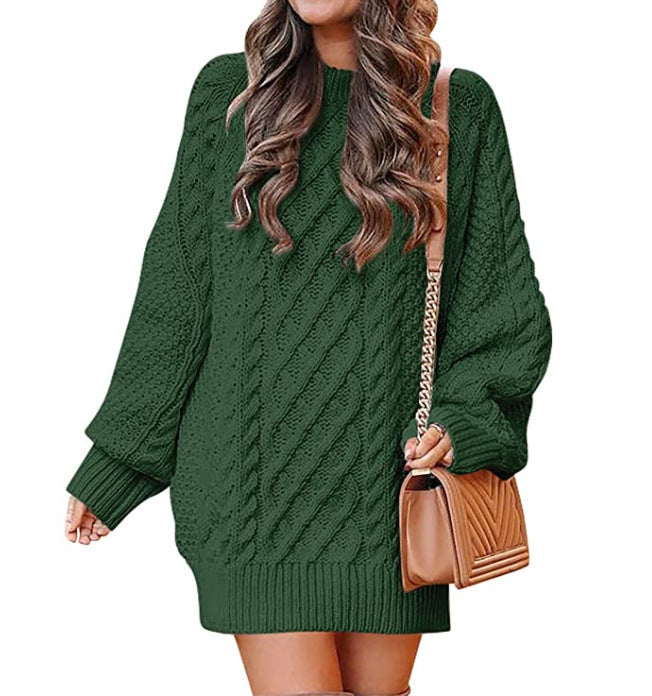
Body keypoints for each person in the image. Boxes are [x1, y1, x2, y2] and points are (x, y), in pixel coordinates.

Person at [64, 1, 553, 694]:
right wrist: (119, 460)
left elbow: (498, 309)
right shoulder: (229, 96)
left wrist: (465, 420)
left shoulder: (454, 108)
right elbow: (177, 296)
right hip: (250, 496)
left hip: (389, 501)